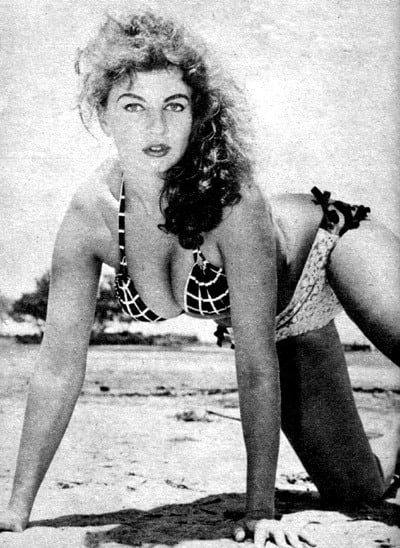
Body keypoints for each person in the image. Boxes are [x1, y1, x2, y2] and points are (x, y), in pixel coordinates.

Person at [1, 11, 399, 547]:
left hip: (332, 246)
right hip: (283, 320)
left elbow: (254, 366)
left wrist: (260, 509)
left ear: (196, 112)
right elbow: (57, 366)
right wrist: (17, 511)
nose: (156, 128)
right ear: (103, 113)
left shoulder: (230, 198)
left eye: (174, 106)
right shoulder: (91, 215)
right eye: (133, 106)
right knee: (357, 490)